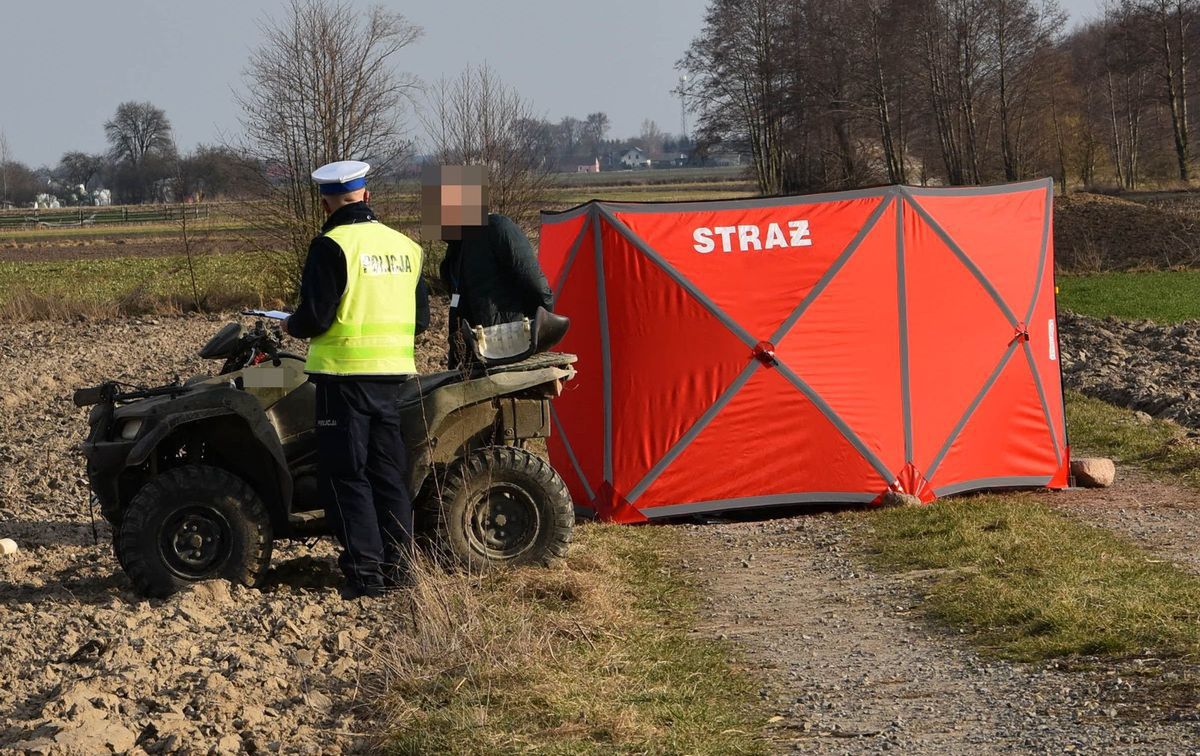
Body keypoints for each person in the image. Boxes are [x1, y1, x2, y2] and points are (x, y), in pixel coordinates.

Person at [285, 160, 428, 598]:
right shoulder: (407, 247)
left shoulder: (331, 246)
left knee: (347, 474)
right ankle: (403, 569)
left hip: (343, 379)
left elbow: (315, 318)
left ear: (325, 201)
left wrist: (290, 324)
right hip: (392, 379)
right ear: (367, 195)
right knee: (389, 473)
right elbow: (420, 321)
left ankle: (367, 575)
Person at [420, 164, 553, 367]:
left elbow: (537, 288)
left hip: (508, 348)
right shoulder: (455, 252)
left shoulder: (499, 229)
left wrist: (539, 331)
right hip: (472, 357)